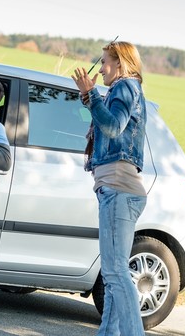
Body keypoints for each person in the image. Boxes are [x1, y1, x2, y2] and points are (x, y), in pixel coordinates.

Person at [71, 41, 147, 336]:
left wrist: (91, 95)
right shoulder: (120, 90)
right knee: (115, 273)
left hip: (118, 188)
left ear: (120, 63)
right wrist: (88, 97)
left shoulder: (126, 87)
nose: (101, 68)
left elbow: (114, 126)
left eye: (104, 62)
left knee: (115, 273)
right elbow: (106, 124)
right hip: (116, 190)